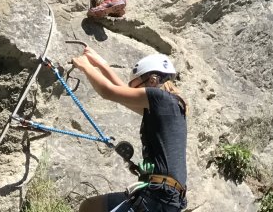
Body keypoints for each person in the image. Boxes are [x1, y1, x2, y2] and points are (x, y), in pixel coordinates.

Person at [72, 50, 187, 212]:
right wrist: (100, 64)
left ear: (153, 81)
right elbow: (121, 92)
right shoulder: (171, 107)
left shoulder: (158, 98)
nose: (134, 93)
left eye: (137, 88)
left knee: (89, 207)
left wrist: (84, 66)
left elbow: (109, 91)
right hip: (166, 198)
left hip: (159, 196)